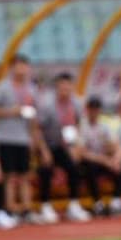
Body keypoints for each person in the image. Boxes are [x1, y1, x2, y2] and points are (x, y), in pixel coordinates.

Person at [0, 55, 49, 224]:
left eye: (25, 66)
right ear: (12, 68)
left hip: (24, 139)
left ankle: (27, 210)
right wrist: (10, 112)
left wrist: (35, 140)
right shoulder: (3, 87)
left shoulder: (31, 89)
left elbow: (35, 117)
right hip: (6, 138)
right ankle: (10, 210)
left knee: (25, 176)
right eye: (19, 66)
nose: (23, 70)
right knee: (9, 176)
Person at [36, 72, 92, 222]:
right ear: (57, 88)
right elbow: (37, 128)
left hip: (66, 145)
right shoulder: (47, 105)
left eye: (68, 87)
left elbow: (78, 123)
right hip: (47, 143)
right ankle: (45, 206)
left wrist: (76, 145)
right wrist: (43, 150)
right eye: (62, 87)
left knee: (74, 168)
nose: (65, 90)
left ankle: (74, 204)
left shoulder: (77, 103)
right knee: (46, 170)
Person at [79, 97, 121, 216]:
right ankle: (97, 203)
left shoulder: (104, 126)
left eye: (96, 110)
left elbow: (118, 146)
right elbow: (82, 152)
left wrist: (117, 160)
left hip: (104, 160)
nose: (94, 112)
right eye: (92, 109)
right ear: (87, 110)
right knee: (90, 168)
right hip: (90, 161)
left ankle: (116, 202)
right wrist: (105, 160)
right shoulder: (82, 126)